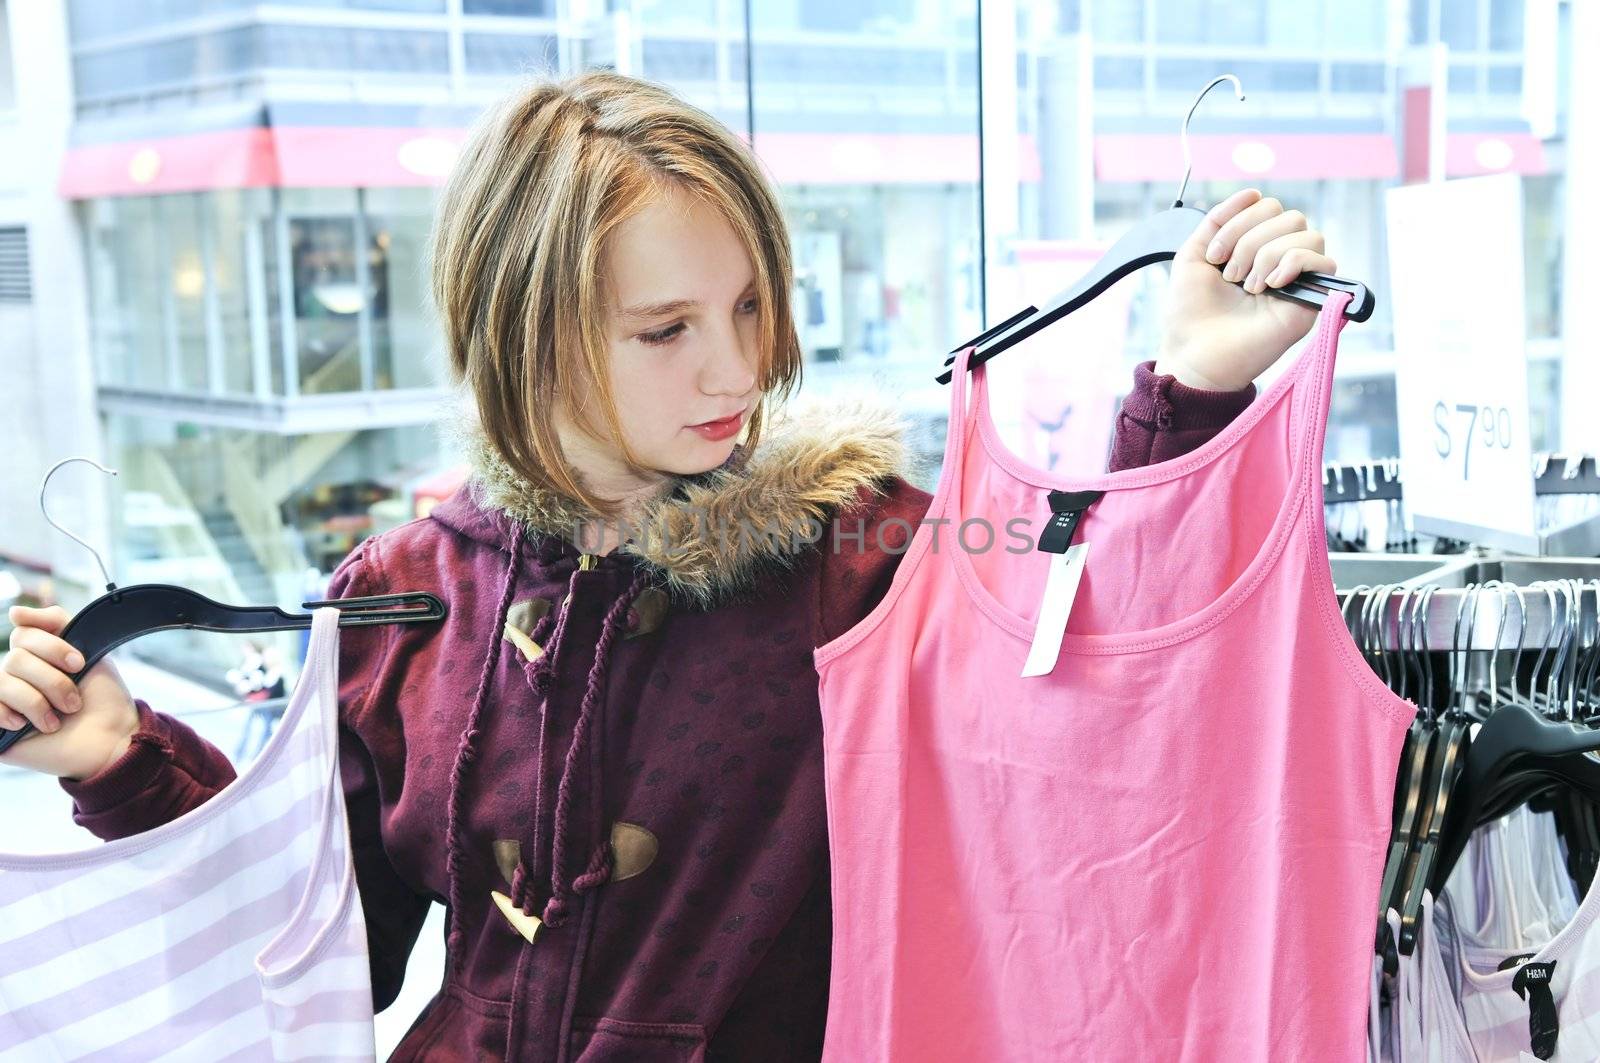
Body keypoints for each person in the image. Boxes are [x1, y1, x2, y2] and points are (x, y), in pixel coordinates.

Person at [0, 70, 1335, 1060]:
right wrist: (118, 758)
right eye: (665, 329)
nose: (735, 368)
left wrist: (1194, 390)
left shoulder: (861, 557)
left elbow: (1099, 675)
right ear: (521, 328)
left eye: (750, 305)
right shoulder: (403, 599)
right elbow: (308, 956)